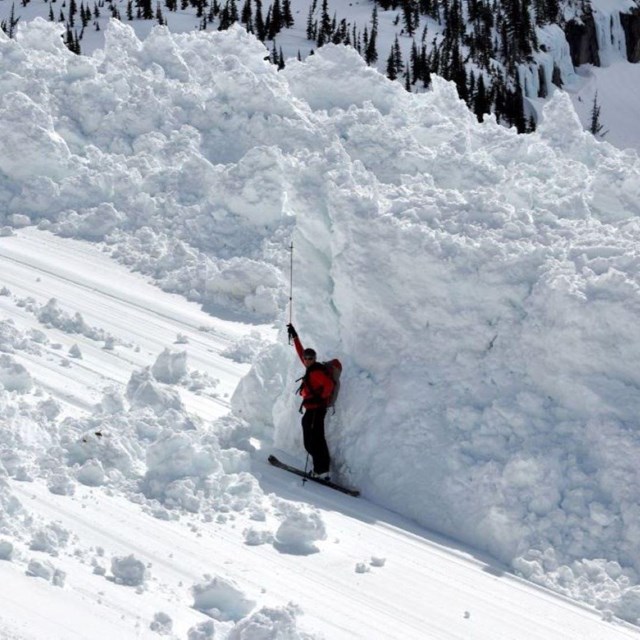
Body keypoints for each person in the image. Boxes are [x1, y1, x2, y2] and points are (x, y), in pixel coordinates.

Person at [287, 323, 334, 480]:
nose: (306, 360)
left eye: (310, 358)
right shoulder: (311, 368)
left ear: (314, 359)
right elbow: (300, 351)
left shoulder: (316, 372)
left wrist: (321, 398)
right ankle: (323, 469)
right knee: (318, 438)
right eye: (306, 358)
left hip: (316, 409)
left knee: (311, 441)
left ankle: (320, 470)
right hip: (314, 409)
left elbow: (329, 385)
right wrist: (295, 335)